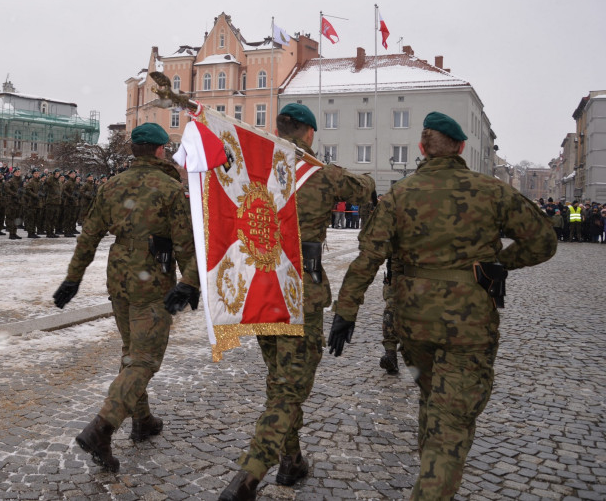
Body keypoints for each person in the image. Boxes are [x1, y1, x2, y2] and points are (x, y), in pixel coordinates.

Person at [328, 112, 557, 500]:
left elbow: (367, 257)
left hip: (414, 324)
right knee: (450, 423)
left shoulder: (401, 194)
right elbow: (543, 241)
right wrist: (500, 263)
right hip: (468, 325)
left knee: (432, 400)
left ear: (421, 148)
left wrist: (345, 312)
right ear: (461, 147)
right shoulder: (490, 191)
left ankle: (430, 473)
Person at [220, 103, 375, 501]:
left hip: (259, 288)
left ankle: (291, 460)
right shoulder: (316, 172)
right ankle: (250, 476)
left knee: (279, 380)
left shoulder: (253, 168)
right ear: (307, 133)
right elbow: (364, 188)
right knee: (289, 389)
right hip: (298, 293)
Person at [52, 122, 199, 473]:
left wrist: (73, 279)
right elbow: (185, 245)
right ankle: (102, 426)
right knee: (144, 360)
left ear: (134, 150)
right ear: (162, 150)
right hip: (152, 281)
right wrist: (188, 282)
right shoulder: (170, 188)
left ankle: (143, 420)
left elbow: (88, 235)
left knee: (132, 352)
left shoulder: (112, 186)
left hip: (119, 278)